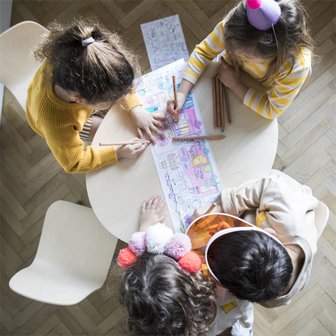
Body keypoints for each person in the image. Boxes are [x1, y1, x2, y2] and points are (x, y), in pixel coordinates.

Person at [27, 18, 165, 173]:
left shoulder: (84, 52)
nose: (119, 100)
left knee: (116, 127)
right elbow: (74, 162)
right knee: (108, 135)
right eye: (112, 100)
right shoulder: (57, 124)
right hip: (57, 120)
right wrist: (117, 153)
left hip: (72, 103)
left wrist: (136, 108)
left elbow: (116, 80)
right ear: (79, 100)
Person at [118, 196, 253, 336]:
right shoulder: (218, 290)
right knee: (241, 315)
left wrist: (145, 226)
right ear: (191, 281)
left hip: (207, 323)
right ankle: (244, 328)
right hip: (223, 317)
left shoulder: (149, 310)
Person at [191, 169, 319, 308]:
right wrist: (222, 207)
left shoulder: (267, 297)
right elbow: (268, 185)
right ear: (269, 233)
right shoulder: (288, 218)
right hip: (270, 194)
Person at [167, 0, 314, 120]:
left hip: (260, 90)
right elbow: (203, 52)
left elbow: (272, 110)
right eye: (232, 48)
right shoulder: (238, 24)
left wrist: (236, 85)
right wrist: (181, 92)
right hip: (230, 75)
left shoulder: (296, 67)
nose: (235, 53)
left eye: (246, 57)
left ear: (276, 53)